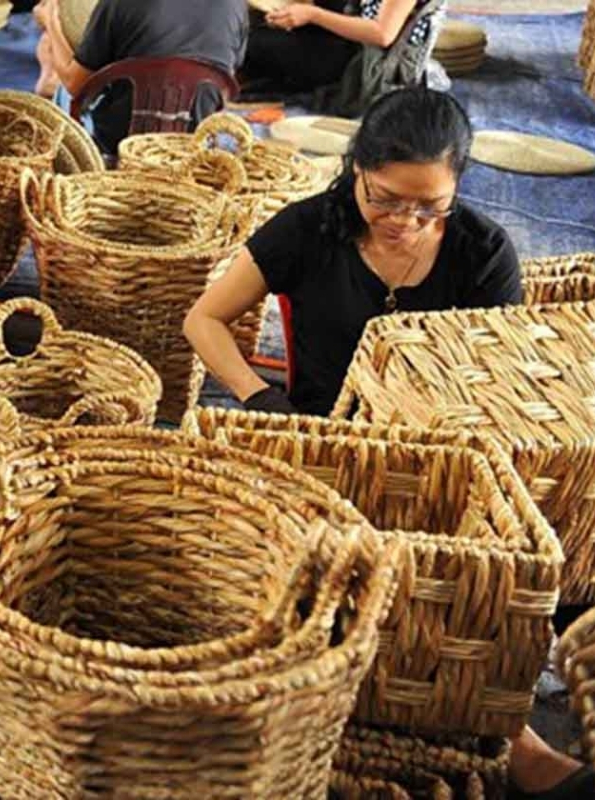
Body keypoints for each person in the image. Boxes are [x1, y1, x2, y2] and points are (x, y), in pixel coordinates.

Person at [184, 86, 593, 800]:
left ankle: (509, 733)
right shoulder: (310, 228)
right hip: (325, 441)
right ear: (355, 171)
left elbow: (488, 385)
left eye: (429, 205)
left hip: (443, 450)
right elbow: (205, 320)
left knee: (491, 565)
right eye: (385, 199)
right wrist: (261, 398)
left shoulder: (483, 252)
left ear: (458, 185)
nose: (406, 220)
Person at [33, 0, 248, 153]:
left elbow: (74, 83)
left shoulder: (117, 4)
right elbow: (228, 76)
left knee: (63, 91)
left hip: (121, 138)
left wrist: (52, 21)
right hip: (198, 136)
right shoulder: (237, 5)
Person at [242, 0, 443, 114]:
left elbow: (382, 34)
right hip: (359, 43)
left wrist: (314, 15)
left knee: (254, 41)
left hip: (371, 67)